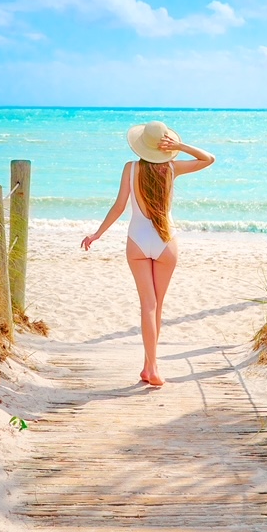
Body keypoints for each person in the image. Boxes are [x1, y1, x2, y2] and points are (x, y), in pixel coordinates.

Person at [81, 120, 215, 387]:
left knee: (148, 307)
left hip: (137, 242)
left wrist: (98, 233)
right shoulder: (173, 167)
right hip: (166, 242)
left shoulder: (130, 169)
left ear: (141, 145)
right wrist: (180, 146)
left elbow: (119, 206)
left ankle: (149, 367)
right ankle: (150, 367)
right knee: (157, 307)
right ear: (165, 146)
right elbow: (208, 159)